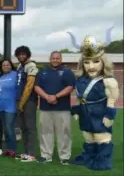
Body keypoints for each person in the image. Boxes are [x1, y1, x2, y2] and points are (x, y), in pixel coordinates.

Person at [71, 36, 119, 170]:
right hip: (85, 112)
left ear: (103, 62)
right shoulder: (80, 79)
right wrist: (77, 110)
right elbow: (79, 97)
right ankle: (89, 156)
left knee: (101, 137)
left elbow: (112, 100)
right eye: (87, 62)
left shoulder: (108, 81)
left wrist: (109, 116)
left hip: (100, 113)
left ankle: (103, 161)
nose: (91, 66)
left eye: (96, 61)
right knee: (88, 136)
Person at [34, 51, 75, 165]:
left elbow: (70, 87)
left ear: (61, 59)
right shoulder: (43, 72)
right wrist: (47, 96)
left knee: (64, 133)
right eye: (53, 58)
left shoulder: (67, 72)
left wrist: (56, 96)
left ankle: (65, 157)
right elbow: (37, 87)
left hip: (63, 108)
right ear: (50, 59)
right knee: (45, 133)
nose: (55, 60)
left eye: (57, 58)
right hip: (45, 108)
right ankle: (46, 155)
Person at [14, 46, 39, 162]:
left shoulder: (31, 66)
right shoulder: (20, 66)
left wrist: (22, 102)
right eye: (19, 54)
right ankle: (25, 152)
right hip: (20, 100)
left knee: (30, 127)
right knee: (23, 127)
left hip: (29, 101)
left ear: (28, 55)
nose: (21, 56)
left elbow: (29, 86)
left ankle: (32, 153)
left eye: (24, 54)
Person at [0, 59, 18, 158]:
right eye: (4, 65)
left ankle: (13, 149)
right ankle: (8, 149)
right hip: (1, 105)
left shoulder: (15, 74)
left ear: (11, 65)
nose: (6, 67)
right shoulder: (1, 77)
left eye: (8, 65)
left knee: (9, 127)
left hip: (11, 105)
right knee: (5, 128)